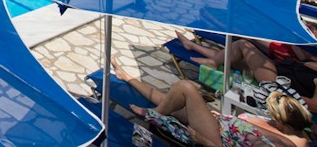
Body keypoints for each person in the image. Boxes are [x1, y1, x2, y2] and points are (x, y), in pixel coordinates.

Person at [112, 55, 311, 147]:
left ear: (284, 123)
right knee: (171, 100)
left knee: (186, 88)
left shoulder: (276, 145)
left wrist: (204, 141)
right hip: (219, 125)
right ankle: (127, 77)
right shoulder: (295, 131)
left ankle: (153, 113)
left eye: (273, 116)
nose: (269, 117)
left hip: (216, 138)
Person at [175, 32, 317, 112]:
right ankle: (191, 45)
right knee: (229, 57)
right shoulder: (312, 55)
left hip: (277, 83)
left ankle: (211, 61)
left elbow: (314, 105)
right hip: (279, 68)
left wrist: (283, 95)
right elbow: (299, 53)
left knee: (242, 45)